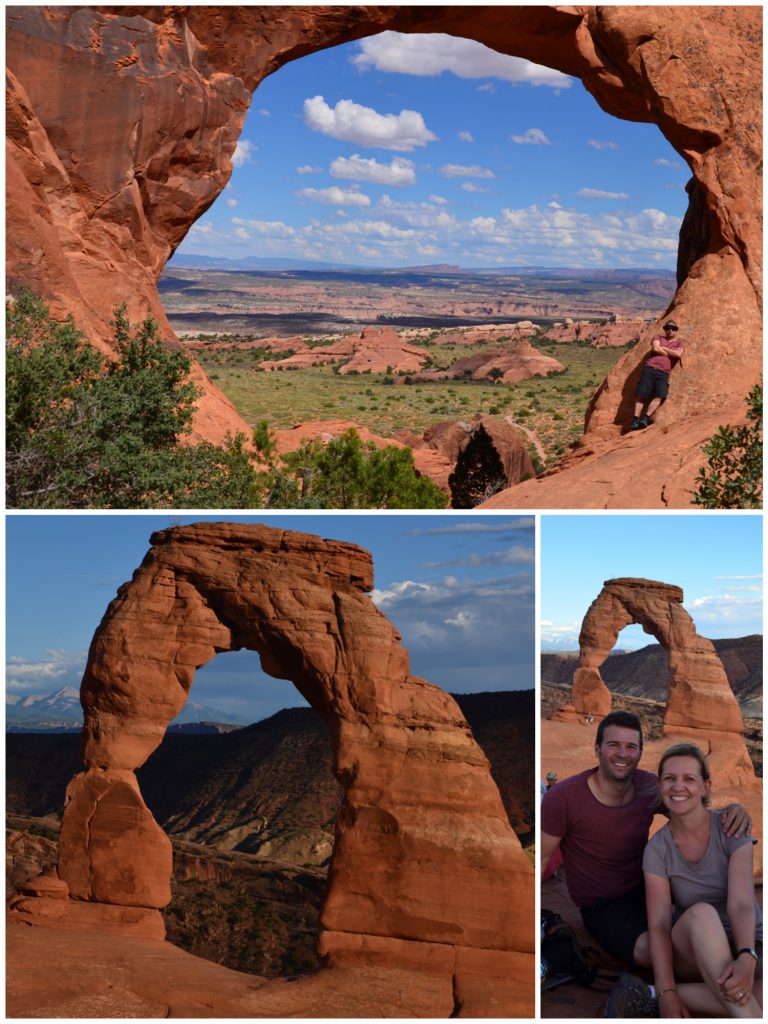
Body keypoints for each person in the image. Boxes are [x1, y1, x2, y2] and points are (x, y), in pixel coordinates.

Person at [540, 712, 750, 977]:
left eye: (631, 746)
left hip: (652, 884)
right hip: (604, 904)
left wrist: (734, 808)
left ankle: (727, 961)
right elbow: (543, 859)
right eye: (613, 745)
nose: (622, 753)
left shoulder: (648, 786)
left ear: (640, 754)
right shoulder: (564, 798)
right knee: (651, 953)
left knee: (702, 933)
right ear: (597, 749)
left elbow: (692, 809)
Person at [638, 743, 761, 1019]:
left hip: (747, 939)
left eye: (689, 779)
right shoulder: (657, 850)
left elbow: (742, 903)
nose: (678, 787)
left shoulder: (732, 828)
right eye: (670, 778)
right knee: (702, 913)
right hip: (695, 946)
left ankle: (650, 994)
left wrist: (745, 955)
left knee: (758, 994)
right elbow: (658, 925)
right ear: (660, 785)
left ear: (706, 787)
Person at [631, 320, 685, 430]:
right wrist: (670, 352)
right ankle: (635, 420)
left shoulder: (680, 342)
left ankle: (645, 419)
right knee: (641, 394)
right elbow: (655, 348)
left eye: (673, 328)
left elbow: (678, 354)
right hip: (650, 368)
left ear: (676, 330)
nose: (670, 330)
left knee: (660, 395)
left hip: (664, 372)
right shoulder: (658, 337)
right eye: (668, 328)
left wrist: (664, 348)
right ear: (665, 329)